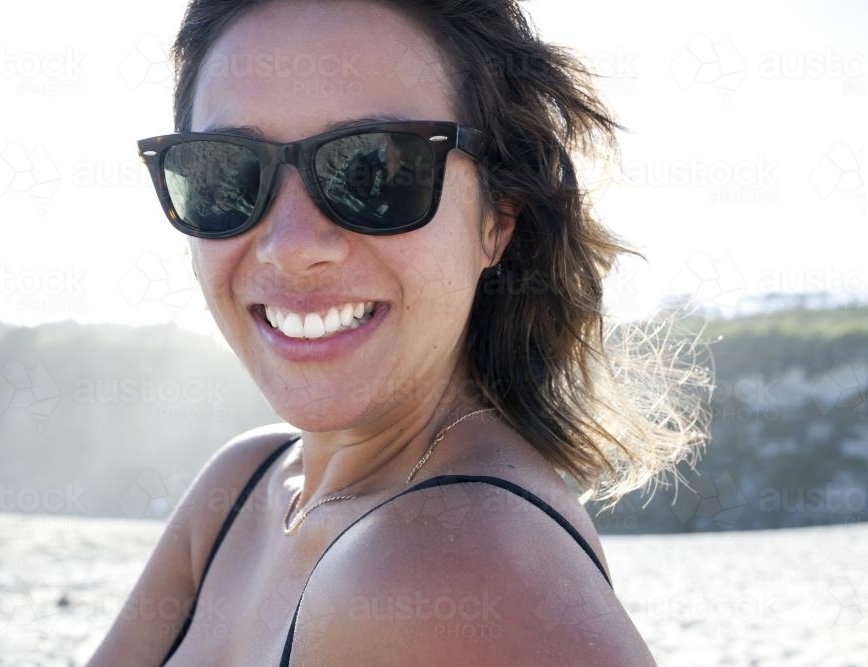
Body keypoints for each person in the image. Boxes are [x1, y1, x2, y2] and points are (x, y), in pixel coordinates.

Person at [91, 1, 711, 665]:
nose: (291, 247)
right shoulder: (246, 484)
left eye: (375, 171)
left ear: (498, 218)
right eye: (225, 173)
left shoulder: (455, 564)